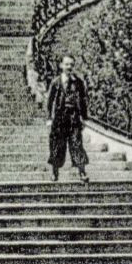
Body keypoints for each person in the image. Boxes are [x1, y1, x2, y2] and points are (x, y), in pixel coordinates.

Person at [45, 55, 90, 183]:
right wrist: (49, 118)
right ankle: (54, 173)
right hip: (59, 120)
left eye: (71, 64)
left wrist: (84, 118)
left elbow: (83, 101)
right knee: (57, 146)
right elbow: (49, 102)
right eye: (67, 64)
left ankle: (82, 172)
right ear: (61, 66)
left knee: (77, 144)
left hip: (73, 119)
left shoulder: (78, 82)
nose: (69, 67)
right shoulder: (56, 82)